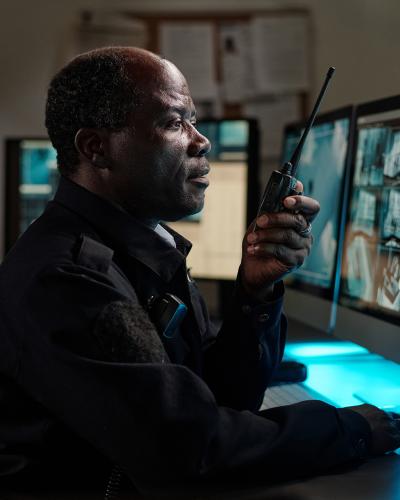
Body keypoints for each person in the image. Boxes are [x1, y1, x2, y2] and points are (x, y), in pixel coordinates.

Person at [0, 47, 398, 496]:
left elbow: (220, 398)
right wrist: (349, 430)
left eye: (192, 120)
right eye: (173, 123)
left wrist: (256, 291)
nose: (200, 139)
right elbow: (190, 449)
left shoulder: (143, 250)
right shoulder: (66, 280)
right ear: (97, 148)